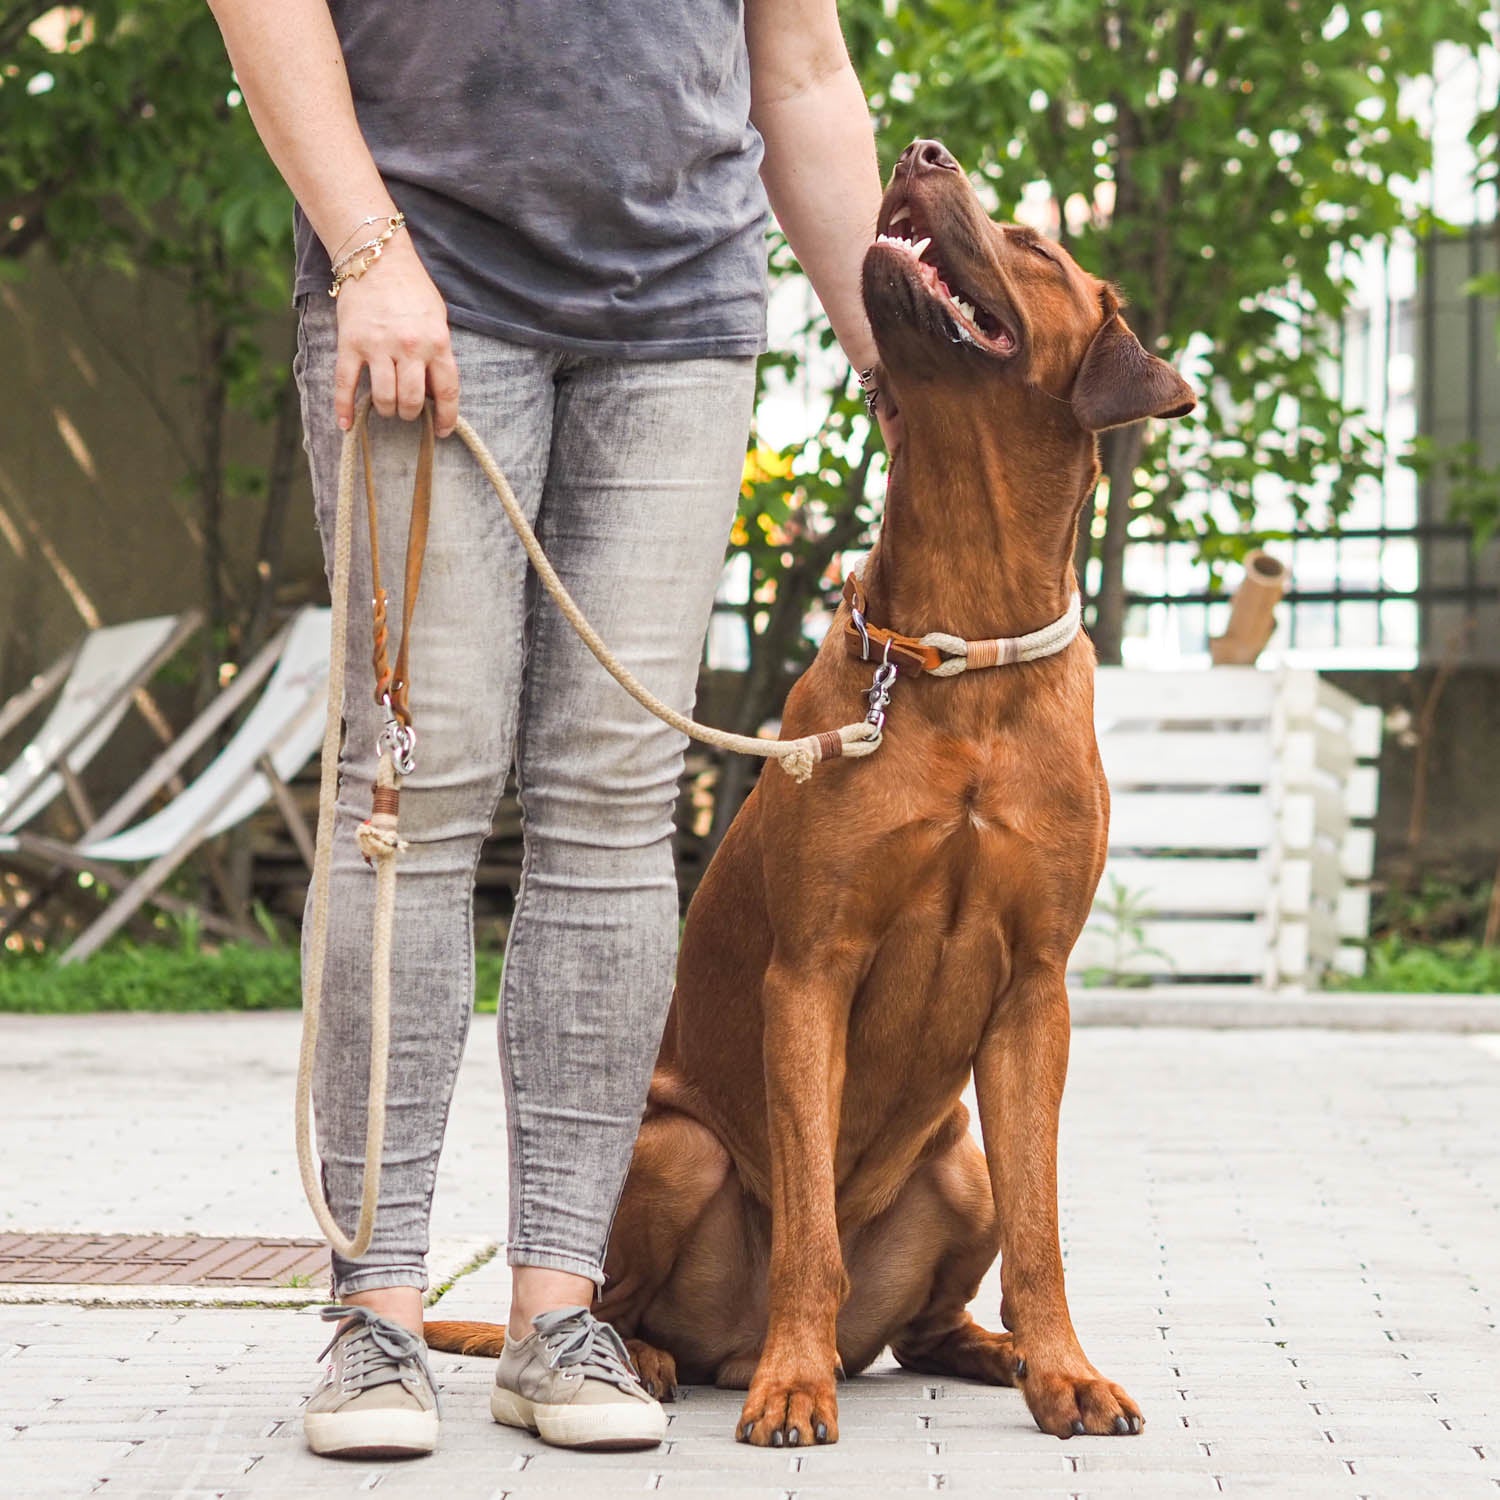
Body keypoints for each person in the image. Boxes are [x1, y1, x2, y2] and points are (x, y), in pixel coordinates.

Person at [206, 0, 889, 1459]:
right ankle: (377, 1318)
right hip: (423, 287)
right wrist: (366, 250)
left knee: (614, 805)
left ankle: (559, 1315)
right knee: (413, 791)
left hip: (681, 320)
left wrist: (890, 357)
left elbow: (807, 68)